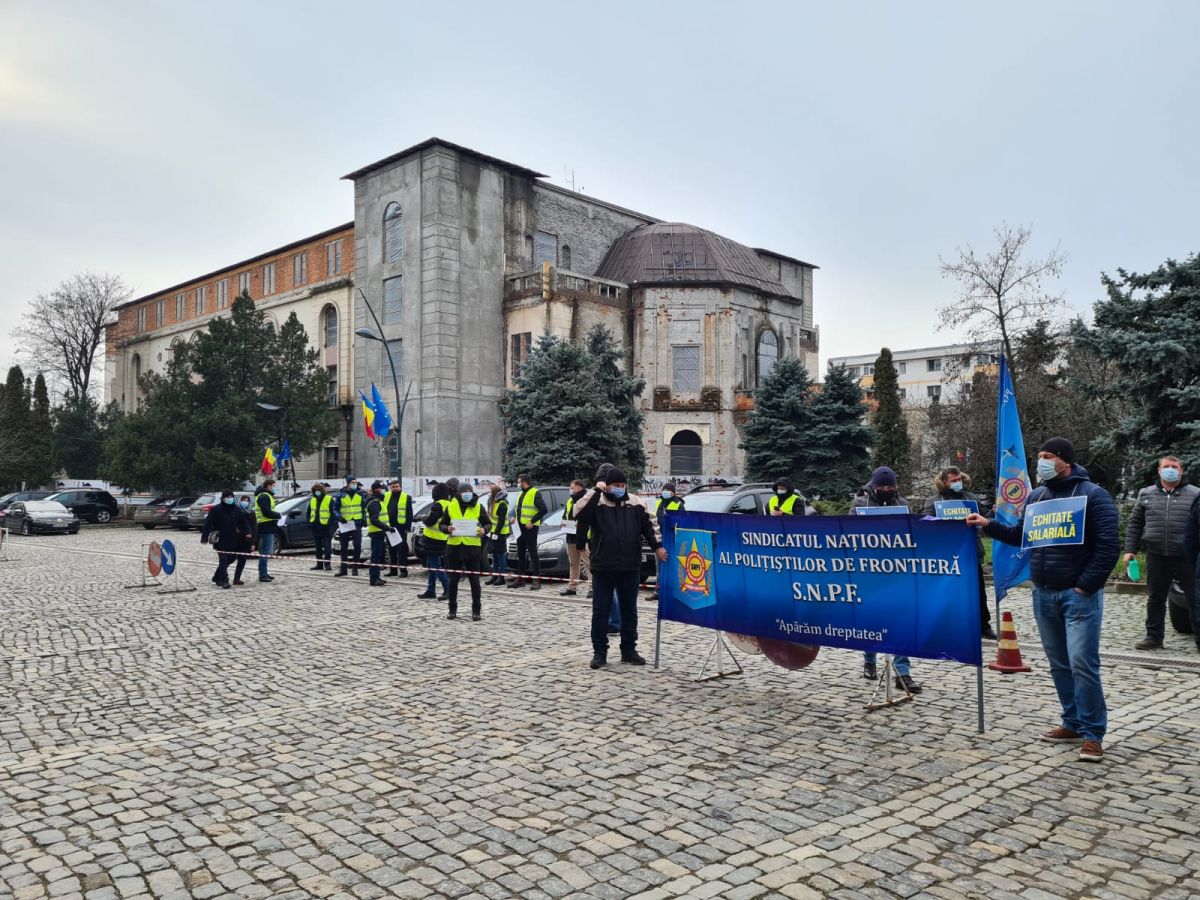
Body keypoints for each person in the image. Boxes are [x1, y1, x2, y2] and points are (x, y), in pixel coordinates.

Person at [967, 437, 1119, 763]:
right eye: (1039, 456)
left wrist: (1085, 587)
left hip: (1078, 596)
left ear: (1065, 460)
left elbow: (1108, 546)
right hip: (1044, 594)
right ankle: (1072, 722)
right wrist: (988, 525)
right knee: (1059, 663)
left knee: (1082, 663)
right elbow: (1022, 535)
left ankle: (1093, 733)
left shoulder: (1094, 495)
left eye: (1047, 456)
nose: (1041, 462)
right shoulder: (1037, 496)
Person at [574, 467, 667, 669]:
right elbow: (579, 513)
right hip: (603, 566)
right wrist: (595, 491)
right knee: (601, 611)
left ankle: (629, 650)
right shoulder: (597, 501)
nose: (620, 488)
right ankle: (600, 652)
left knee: (629, 611)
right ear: (607, 485)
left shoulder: (636, 502)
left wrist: (658, 547)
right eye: (616, 485)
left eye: (623, 485)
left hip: (630, 566)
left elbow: (650, 527)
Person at [854, 466, 921, 694]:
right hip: (868, 571)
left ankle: (902, 672)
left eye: (889, 486)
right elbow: (848, 534)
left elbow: (912, 532)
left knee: (902, 620)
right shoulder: (860, 504)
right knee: (871, 618)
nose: (885, 489)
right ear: (873, 486)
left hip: (897, 570)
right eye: (881, 486)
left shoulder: (902, 504)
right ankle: (869, 660)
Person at [1124, 456, 1199, 649]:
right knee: (1155, 598)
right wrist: (1130, 550)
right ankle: (1154, 637)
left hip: (1187, 556)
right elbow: (1135, 524)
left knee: (1195, 599)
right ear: (1159, 470)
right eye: (1166, 466)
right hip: (1156, 554)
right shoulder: (1146, 494)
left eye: (1174, 466)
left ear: (1181, 471)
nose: (1170, 469)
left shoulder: (1195, 494)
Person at [923, 467, 998, 640]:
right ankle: (949, 625)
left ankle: (983, 625)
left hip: (972, 550)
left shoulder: (971, 498)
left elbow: (983, 517)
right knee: (948, 591)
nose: (958, 483)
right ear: (944, 482)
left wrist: (992, 512)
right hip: (947, 553)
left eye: (959, 479)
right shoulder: (934, 501)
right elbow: (926, 524)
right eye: (953, 481)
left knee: (978, 591)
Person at [437, 481, 492, 620]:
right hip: (454, 548)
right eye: (465, 492)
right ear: (459, 493)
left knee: (474, 581)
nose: (467, 494)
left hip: (472, 548)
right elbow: (442, 524)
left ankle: (476, 610)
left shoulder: (478, 506)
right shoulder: (451, 506)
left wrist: (484, 530)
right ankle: (452, 609)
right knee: (453, 581)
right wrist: (447, 529)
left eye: (469, 491)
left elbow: (488, 523)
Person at [200, 490, 253, 588]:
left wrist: (248, 532)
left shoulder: (236, 509)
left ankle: (216, 576)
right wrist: (204, 537)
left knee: (231, 558)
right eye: (227, 497)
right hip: (220, 538)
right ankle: (224, 580)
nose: (229, 499)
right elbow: (208, 524)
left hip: (232, 538)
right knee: (223, 559)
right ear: (223, 498)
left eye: (231, 497)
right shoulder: (216, 509)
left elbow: (243, 522)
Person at [510, 473, 548, 590]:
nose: (518, 483)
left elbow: (544, 509)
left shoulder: (535, 492)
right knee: (520, 553)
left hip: (530, 528)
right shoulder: (521, 493)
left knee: (533, 553)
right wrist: (514, 518)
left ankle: (536, 580)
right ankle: (521, 579)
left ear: (524, 482)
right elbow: (519, 510)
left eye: (519, 481)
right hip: (520, 528)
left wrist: (532, 521)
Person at [416, 482, 451, 600]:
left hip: (433, 539)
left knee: (436, 566)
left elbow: (430, 521)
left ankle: (448, 589)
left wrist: (423, 517)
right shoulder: (449, 504)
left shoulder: (438, 505)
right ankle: (431, 590)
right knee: (431, 565)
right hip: (442, 538)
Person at [562, 479, 591, 596]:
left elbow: (589, 517)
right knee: (573, 564)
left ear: (579, 488)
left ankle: (593, 588)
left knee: (588, 563)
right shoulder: (570, 500)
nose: (570, 489)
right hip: (570, 536)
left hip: (583, 536)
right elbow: (566, 515)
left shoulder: (586, 499)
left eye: (572, 487)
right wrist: (563, 523)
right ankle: (572, 588)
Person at [332, 476, 364, 577]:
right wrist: (339, 517)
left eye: (356, 482)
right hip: (345, 523)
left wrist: (364, 520)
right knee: (344, 547)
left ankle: (355, 569)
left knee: (357, 546)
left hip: (357, 523)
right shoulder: (341, 495)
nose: (354, 484)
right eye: (352, 482)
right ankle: (343, 569)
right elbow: (335, 508)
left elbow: (364, 508)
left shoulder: (361, 493)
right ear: (348, 483)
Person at [254, 478, 281, 583]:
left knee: (265, 551)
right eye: (274, 486)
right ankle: (263, 574)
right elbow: (266, 512)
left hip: (266, 525)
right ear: (268, 486)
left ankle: (264, 572)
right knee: (265, 551)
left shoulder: (264, 495)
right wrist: (278, 515)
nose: (274, 488)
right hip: (266, 526)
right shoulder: (264, 496)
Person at [385, 479, 413, 578]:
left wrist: (408, 527)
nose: (395, 488)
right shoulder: (386, 496)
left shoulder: (406, 497)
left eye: (397, 486)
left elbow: (409, 513)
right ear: (390, 487)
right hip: (389, 527)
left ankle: (403, 571)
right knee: (391, 549)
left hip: (401, 527)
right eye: (393, 487)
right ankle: (393, 571)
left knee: (401, 550)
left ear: (400, 487)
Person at [365, 481, 391, 586]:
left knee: (378, 555)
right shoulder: (374, 502)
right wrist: (387, 528)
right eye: (381, 488)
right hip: (376, 532)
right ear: (377, 489)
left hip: (379, 532)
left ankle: (377, 577)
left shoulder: (378, 501)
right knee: (375, 556)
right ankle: (374, 579)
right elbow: (374, 520)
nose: (383, 490)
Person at [306, 482, 336, 572]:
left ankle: (327, 564)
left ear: (322, 490)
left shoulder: (329, 499)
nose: (317, 492)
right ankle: (319, 564)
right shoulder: (312, 500)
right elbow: (308, 512)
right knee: (317, 548)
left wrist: (330, 524)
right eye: (315, 490)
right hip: (315, 527)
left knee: (327, 547)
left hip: (326, 527)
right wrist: (309, 523)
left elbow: (333, 513)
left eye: (318, 490)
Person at [486, 482, 510, 585]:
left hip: (500, 533)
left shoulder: (502, 504)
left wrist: (496, 533)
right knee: (494, 555)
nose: (489, 494)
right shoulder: (494, 503)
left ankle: (502, 577)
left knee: (500, 555)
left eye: (490, 492)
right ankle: (495, 576)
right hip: (493, 532)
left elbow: (501, 521)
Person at [233, 495, 256, 585]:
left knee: (242, 560)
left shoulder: (252, 513)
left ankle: (237, 578)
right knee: (230, 558)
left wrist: (253, 543)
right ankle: (219, 575)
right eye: (243, 500)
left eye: (247, 500)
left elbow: (254, 528)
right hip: (236, 539)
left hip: (246, 540)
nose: (245, 502)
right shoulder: (236, 511)